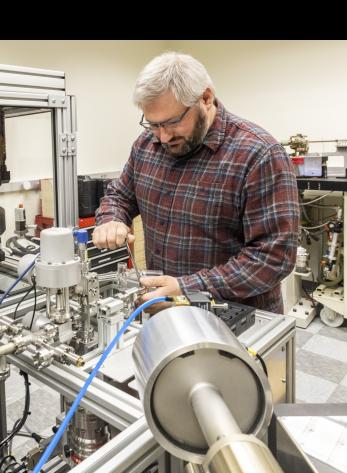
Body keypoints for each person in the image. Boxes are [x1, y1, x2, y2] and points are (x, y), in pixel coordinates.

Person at [93, 52, 299, 313]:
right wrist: (111, 218)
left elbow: (273, 258)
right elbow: (119, 196)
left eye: (172, 122)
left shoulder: (258, 154)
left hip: (234, 319)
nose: (164, 137)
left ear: (206, 98)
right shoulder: (146, 146)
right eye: (153, 124)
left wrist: (188, 287)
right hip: (166, 313)